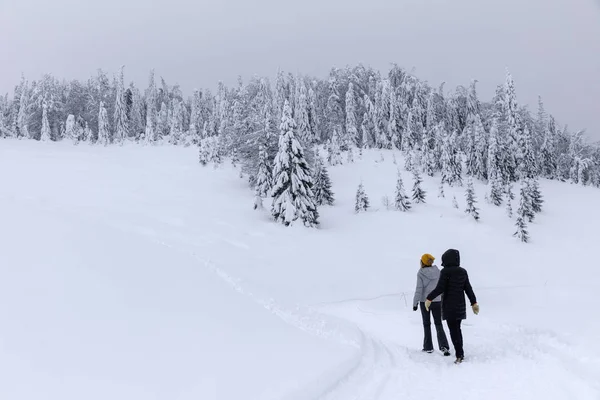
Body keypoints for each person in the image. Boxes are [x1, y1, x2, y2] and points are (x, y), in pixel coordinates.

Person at [425, 249, 479, 364]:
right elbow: (468, 288)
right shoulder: (463, 272)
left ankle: (459, 355)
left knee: (453, 330)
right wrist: (474, 302)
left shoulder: (445, 272)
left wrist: (429, 298)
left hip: (449, 306)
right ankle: (460, 353)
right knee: (457, 329)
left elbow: (440, 288)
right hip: (460, 306)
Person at [412, 253, 451, 356]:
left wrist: (415, 303)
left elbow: (419, 289)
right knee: (438, 324)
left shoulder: (420, 273)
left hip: (424, 302)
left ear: (423, 262)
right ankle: (444, 347)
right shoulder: (438, 271)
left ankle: (428, 347)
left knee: (426, 324)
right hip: (437, 300)